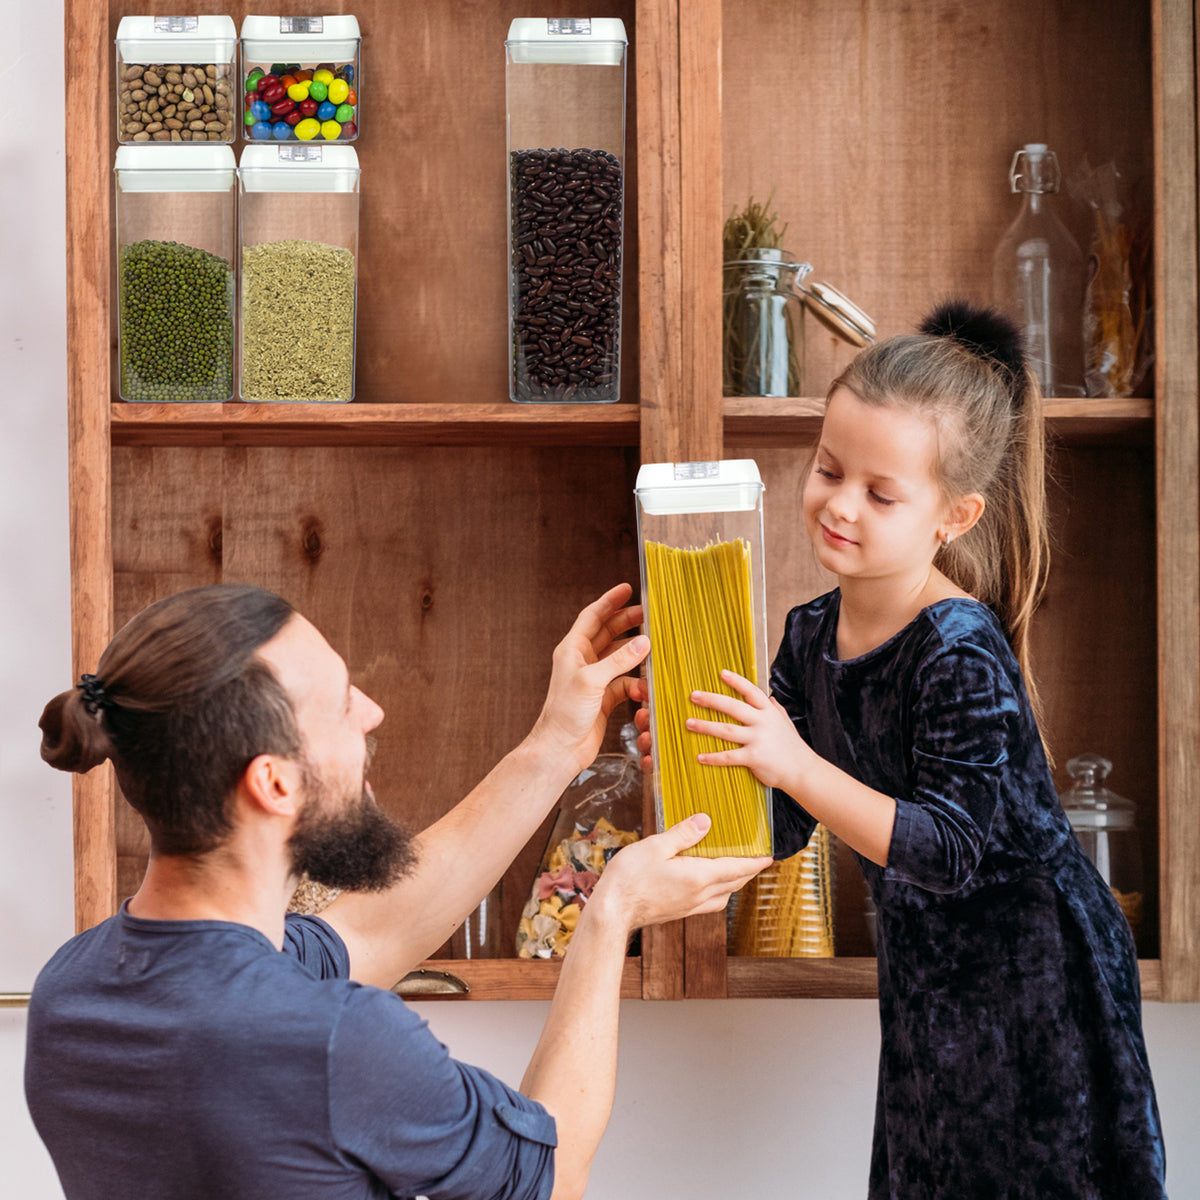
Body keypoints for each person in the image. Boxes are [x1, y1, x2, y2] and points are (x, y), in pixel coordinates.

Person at [26, 581, 768, 1200]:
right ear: (274, 782)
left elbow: (373, 933)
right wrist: (612, 914)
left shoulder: (73, 990)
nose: (372, 712)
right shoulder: (332, 1039)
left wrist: (553, 748)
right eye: (344, 702)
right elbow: (553, 1172)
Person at [677, 302, 1168, 1198]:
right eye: (828, 468)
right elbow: (783, 821)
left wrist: (792, 760)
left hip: (1039, 983)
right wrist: (702, 747)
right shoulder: (810, 633)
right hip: (931, 983)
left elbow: (948, 849)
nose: (839, 503)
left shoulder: (959, 647)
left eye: (881, 492)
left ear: (955, 515)